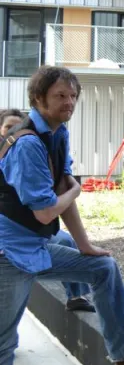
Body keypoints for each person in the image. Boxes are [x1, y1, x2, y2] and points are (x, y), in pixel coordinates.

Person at [0, 66, 124, 365]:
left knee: (102, 267)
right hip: (8, 255)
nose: (69, 102)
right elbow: (46, 212)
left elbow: (63, 191)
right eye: (60, 96)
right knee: (4, 348)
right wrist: (76, 190)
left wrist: (84, 245)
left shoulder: (57, 133)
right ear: (38, 99)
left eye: (73, 96)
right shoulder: (27, 143)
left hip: (34, 247)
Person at [0, 109, 93, 313]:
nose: (12, 131)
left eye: (16, 127)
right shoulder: (11, 153)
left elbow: (53, 189)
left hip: (35, 226)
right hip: (10, 232)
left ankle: (76, 296)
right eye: (8, 127)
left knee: (66, 241)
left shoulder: (31, 148)